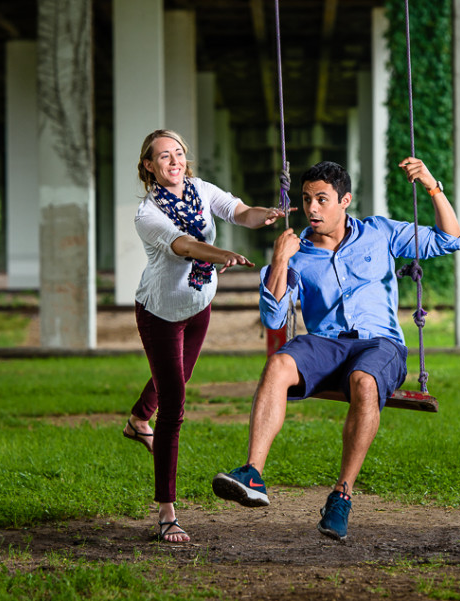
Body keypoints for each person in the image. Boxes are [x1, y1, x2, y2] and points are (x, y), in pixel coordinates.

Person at [211, 158, 460, 540]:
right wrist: (279, 260)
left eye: (322, 199)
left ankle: (342, 495)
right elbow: (274, 320)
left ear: (344, 201)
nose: (312, 208)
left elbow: (450, 239)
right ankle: (253, 473)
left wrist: (431, 184)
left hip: (380, 344)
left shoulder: (379, 233)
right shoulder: (295, 253)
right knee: (278, 363)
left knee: (364, 381)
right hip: (325, 343)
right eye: (307, 199)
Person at [123, 129, 289, 543]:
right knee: (175, 403)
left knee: (176, 379)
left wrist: (263, 213)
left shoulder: (199, 189)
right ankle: (166, 511)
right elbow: (184, 246)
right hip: (160, 314)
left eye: (178, 153)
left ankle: (138, 417)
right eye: (164, 156)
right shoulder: (146, 214)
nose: (174, 160)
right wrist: (224, 255)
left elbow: (237, 211)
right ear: (149, 166)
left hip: (198, 306)